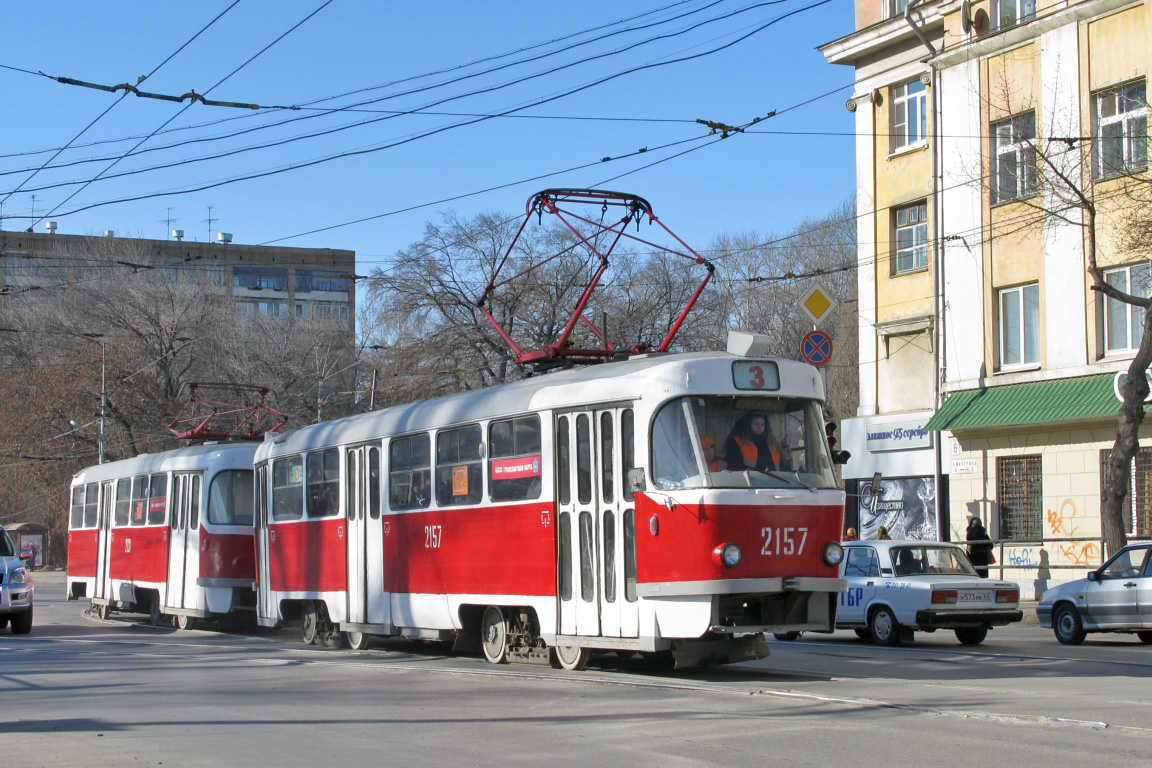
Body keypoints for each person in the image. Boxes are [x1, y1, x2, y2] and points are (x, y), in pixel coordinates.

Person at [723, 412, 792, 474]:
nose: (759, 427)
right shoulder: (736, 442)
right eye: (756, 424)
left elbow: (784, 470)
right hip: (748, 483)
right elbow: (734, 469)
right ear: (748, 425)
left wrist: (786, 457)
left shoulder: (772, 445)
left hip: (775, 483)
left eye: (762, 424)